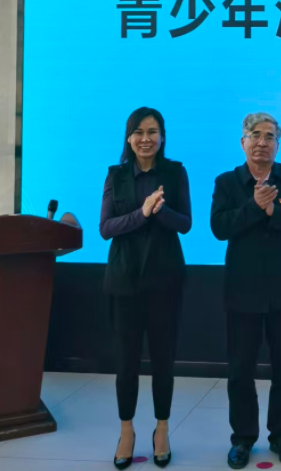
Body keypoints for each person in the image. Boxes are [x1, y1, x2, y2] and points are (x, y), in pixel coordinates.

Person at [210, 113, 281, 470]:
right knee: (240, 370)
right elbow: (219, 228)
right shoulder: (227, 182)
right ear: (243, 142)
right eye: (255, 135)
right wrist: (254, 207)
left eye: (269, 136)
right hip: (242, 292)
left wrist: (274, 209)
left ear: (278, 144)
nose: (262, 142)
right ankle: (242, 439)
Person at [100, 107, 191, 469]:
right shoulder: (116, 174)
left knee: (163, 360)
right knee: (126, 362)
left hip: (165, 280)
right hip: (124, 280)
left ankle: (162, 428)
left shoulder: (175, 172)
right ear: (129, 137)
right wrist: (143, 212)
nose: (145, 139)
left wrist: (160, 210)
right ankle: (126, 430)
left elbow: (185, 223)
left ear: (162, 137)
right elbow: (106, 228)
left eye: (152, 132)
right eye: (138, 132)